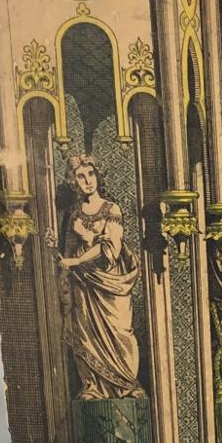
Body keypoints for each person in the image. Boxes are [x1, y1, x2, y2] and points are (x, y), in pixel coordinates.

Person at [58, 154, 142, 400]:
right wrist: (63, 256)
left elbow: (111, 249)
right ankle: (92, 386)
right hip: (83, 284)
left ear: (98, 175)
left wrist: (85, 241)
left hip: (111, 282)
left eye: (91, 174)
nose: (87, 181)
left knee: (120, 330)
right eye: (81, 176)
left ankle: (127, 383)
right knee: (86, 333)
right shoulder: (74, 214)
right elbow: (67, 252)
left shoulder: (111, 209)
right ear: (74, 181)